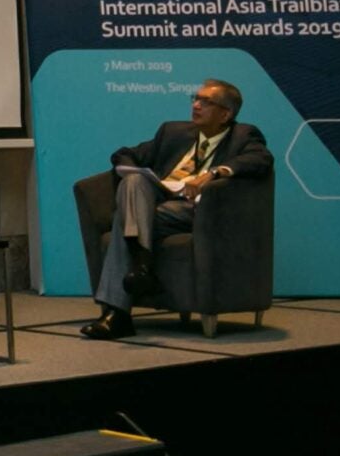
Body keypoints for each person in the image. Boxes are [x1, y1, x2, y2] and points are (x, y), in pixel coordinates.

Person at [81, 79, 272, 340]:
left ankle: (118, 312)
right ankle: (142, 268)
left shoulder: (244, 135)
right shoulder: (173, 132)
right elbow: (124, 154)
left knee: (125, 218)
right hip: (159, 199)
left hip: (197, 209)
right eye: (196, 98)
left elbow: (261, 160)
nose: (196, 105)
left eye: (206, 102)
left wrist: (214, 173)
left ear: (225, 114)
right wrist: (134, 172)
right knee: (133, 182)